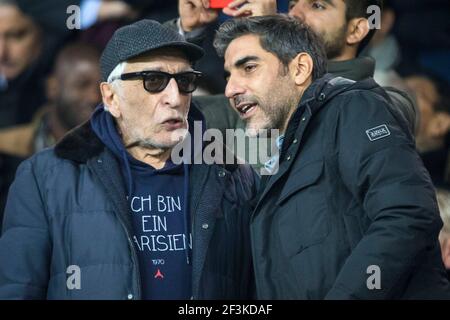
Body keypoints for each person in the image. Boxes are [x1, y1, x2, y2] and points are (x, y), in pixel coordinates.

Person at [0, 19, 257, 300]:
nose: (175, 97)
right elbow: (18, 290)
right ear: (111, 98)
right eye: (154, 81)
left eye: (184, 81)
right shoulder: (44, 177)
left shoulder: (234, 176)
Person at [214, 14, 450, 299]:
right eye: (228, 75)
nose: (230, 89)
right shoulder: (278, 162)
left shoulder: (352, 108)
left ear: (300, 68)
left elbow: (408, 214)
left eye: (249, 67)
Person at [170, 0, 417, 155]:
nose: (294, 14)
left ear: (356, 29)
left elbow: (315, 116)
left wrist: (269, 30)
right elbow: (163, 112)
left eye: (317, 5)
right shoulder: (243, 99)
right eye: (292, 5)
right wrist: (188, 33)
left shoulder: (390, 101)